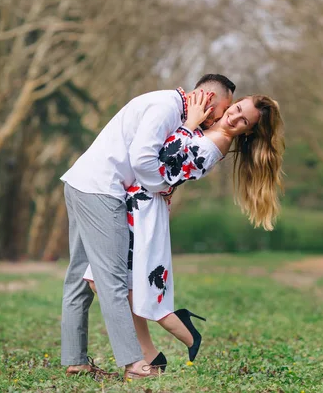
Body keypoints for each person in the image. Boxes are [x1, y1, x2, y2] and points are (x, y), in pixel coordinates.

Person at [84, 90, 285, 369]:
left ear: (248, 133)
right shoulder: (213, 132)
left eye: (243, 121)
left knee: (111, 282)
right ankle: (151, 355)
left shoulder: (216, 143)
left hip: (144, 210)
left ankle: (182, 336)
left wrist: (189, 123)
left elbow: (163, 159)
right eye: (237, 108)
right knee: (112, 282)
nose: (233, 116)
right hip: (136, 202)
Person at [60, 74, 235, 381]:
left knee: (79, 277)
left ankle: (77, 360)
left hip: (82, 183)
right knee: (112, 281)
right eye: (223, 108)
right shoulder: (166, 108)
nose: (220, 116)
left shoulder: (167, 105)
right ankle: (135, 364)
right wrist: (162, 187)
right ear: (208, 101)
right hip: (103, 190)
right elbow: (142, 161)